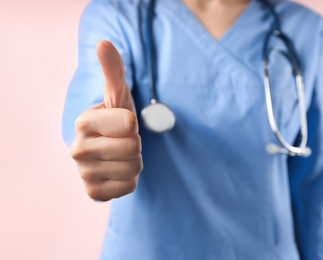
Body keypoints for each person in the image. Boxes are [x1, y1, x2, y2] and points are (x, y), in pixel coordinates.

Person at [62, 0, 323, 259]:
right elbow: (93, 104)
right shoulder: (118, 15)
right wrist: (101, 141)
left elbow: (314, 188)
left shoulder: (308, 30)